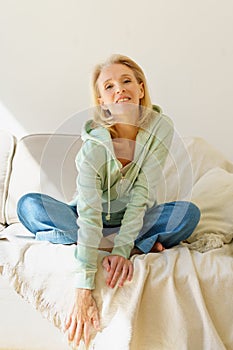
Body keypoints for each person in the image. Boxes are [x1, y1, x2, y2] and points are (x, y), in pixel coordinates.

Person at [17, 54, 200, 347]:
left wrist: (123, 250)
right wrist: (83, 288)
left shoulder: (160, 128)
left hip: (136, 218)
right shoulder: (95, 146)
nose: (120, 89)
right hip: (87, 218)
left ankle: (105, 245)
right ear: (102, 101)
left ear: (141, 89)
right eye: (109, 86)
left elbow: (142, 193)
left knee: (188, 214)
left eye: (126, 81)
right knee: (28, 205)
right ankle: (119, 245)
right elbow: (89, 215)